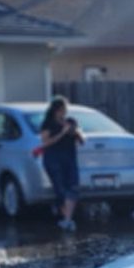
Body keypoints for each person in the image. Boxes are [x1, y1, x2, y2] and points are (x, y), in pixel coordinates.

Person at [39, 95, 84, 230]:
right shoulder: (48, 124)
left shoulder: (70, 122)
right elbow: (46, 142)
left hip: (70, 158)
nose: (65, 111)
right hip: (54, 158)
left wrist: (76, 132)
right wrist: (62, 133)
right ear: (57, 110)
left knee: (73, 187)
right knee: (60, 189)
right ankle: (65, 217)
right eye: (63, 109)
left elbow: (81, 140)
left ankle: (67, 219)